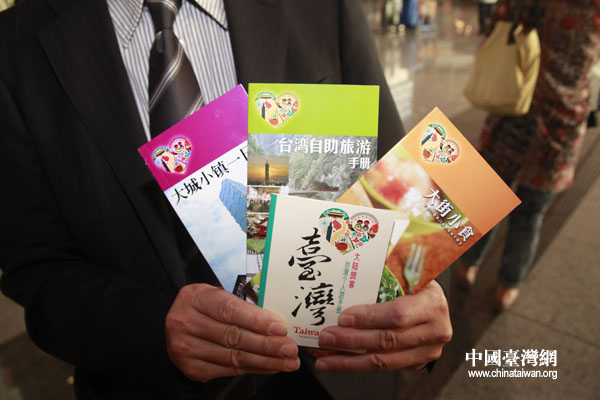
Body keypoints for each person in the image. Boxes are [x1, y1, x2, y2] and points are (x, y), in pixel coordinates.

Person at [0, 0, 452, 398]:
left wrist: (424, 299)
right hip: (147, 384)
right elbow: (36, 265)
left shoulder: (323, 6)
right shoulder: (15, 45)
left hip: (335, 371)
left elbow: (402, 180)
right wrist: (153, 328)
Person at [459, 0, 600, 311]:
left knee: (488, 200)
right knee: (529, 213)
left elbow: (495, 23)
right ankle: (507, 285)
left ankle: (469, 265)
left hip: (513, 104)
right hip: (560, 116)